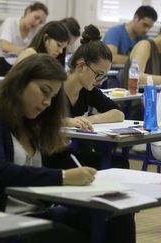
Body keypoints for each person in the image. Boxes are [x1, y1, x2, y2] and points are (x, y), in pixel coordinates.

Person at [0, 53, 136, 243]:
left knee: (118, 214)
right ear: (19, 84)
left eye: (52, 96)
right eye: (44, 91)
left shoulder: (33, 123)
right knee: (75, 237)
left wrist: (99, 178)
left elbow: (63, 158)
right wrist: (63, 177)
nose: (47, 102)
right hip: (7, 220)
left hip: (42, 212)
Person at [62, 24, 129, 169]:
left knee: (120, 163)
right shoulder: (55, 87)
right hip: (55, 155)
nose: (100, 81)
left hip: (78, 152)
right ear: (81, 66)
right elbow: (40, 120)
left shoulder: (88, 90)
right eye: (98, 74)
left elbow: (118, 113)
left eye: (104, 76)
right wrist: (69, 121)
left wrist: (88, 120)